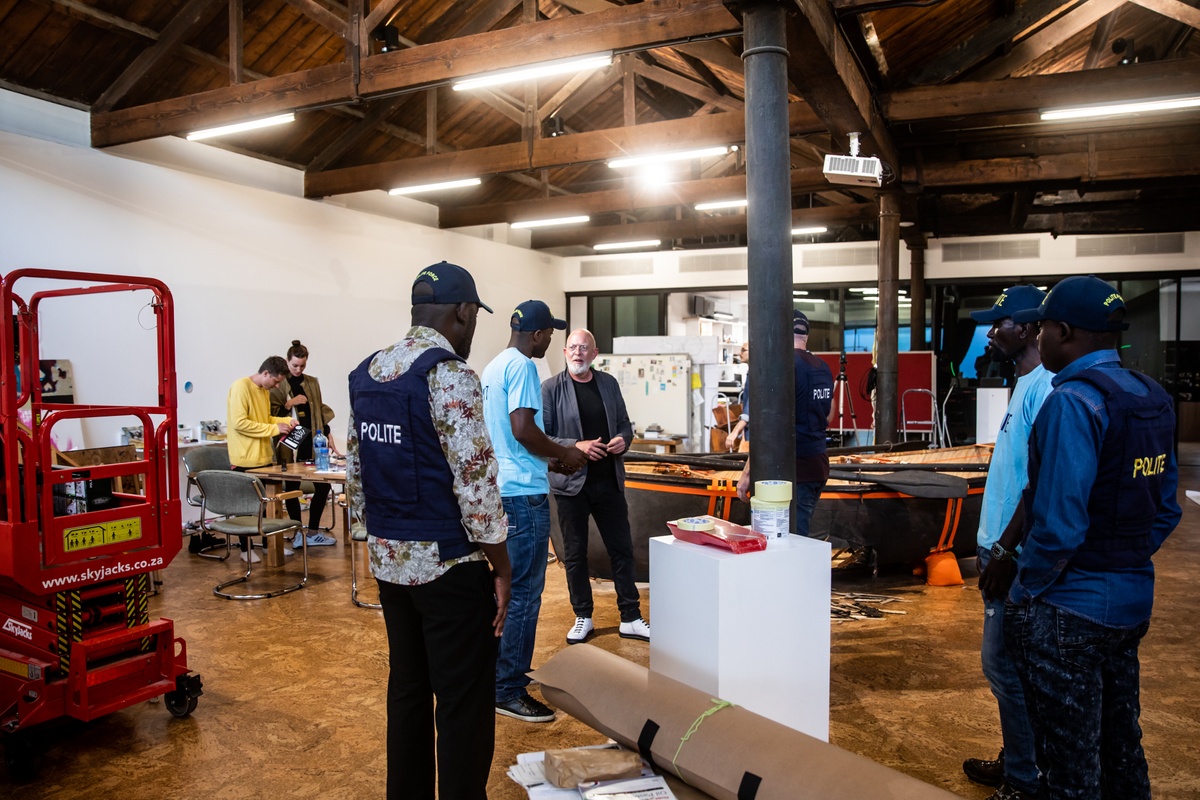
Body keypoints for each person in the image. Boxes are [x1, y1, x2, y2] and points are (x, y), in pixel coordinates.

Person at [1003, 275, 1181, 800]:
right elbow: (1166, 509)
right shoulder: (1151, 397)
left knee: (1071, 767)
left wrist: (1025, 590)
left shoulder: (1074, 403)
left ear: (1062, 332)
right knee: (1122, 749)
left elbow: (1059, 525)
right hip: (1130, 605)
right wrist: (1122, 559)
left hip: (1069, 611)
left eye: (1041, 331)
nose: (1038, 340)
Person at [345, 260, 512, 800]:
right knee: (462, 700)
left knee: (409, 690)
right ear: (463, 312)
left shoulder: (366, 374)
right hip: (449, 566)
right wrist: (502, 567)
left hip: (391, 565)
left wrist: (371, 540)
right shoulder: (450, 374)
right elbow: (477, 482)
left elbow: (356, 473)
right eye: (474, 318)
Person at [962, 285, 1054, 800]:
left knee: (1002, 665)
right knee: (1011, 665)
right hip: (996, 547)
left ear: (1030, 327)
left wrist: (1006, 551)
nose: (993, 331)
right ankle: (1019, 757)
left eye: (1001, 323)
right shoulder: (1023, 383)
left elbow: (1038, 482)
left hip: (1011, 555)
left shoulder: (1045, 388)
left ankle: (1025, 778)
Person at [481, 300, 588, 724]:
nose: (550, 342)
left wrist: (553, 458)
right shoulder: (524, 367)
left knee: (502, 590)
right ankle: (507, 689)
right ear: (539, 334)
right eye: (550, 335)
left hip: (498, 491)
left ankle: (495, 677)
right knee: (524, 593)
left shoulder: (493, 367)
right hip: (524, 497)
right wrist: (564, 454)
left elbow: (507, 435)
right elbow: (524, 429)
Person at [541, 328, 650, 645]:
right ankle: (583, 616)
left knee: (622, 551)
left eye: (584, 347)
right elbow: (543, 438)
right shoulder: (550, 389)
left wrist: (622, 441)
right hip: (570, 485)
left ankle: (630, 617)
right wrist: (577, 445)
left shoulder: (609, 384)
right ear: (564, 352)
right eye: (572, 347)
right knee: (574, 555)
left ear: (594, 353)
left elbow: (625, 426)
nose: (578, 352)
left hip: (608, 481)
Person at [737, 310, 834, 537]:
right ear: (806, 336)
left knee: (788, 544)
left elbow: (767, 429)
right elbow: (828, 416)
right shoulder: (823, 367)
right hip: (817, 465)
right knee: (798, 539)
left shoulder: (783, 369)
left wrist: (747, 472)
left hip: (790, 474)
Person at [226, 356, 296, 562]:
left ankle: (270, 545)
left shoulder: (264, 391)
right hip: (244, 459)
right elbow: (240, 423)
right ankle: (245, 549)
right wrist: (274, 428)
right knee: (245, 507)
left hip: (264, 457)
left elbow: (264, 420)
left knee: (269, 505)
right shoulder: (240, 387)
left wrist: (286, 420)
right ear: (265, 373)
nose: (276, 386)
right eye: (275, 382)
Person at [269, 339, 338, 547]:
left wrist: (327, 434)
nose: (298, 370)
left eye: (302, 366)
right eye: (295, 366)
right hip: (291, 441)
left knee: (323, 486)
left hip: (313, 440)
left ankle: (313, 531)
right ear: (287, 361)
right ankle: (298, 533)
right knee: (292, 486)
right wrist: (290, 403)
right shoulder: (279, 383)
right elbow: (270, 414)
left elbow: (318, 410)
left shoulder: (311, 382)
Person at [726, 341, 750, 451]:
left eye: (743, 350)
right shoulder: (751, 373)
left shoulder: (757, 375)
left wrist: (735, 432)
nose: (739, 353)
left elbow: (750, 409)